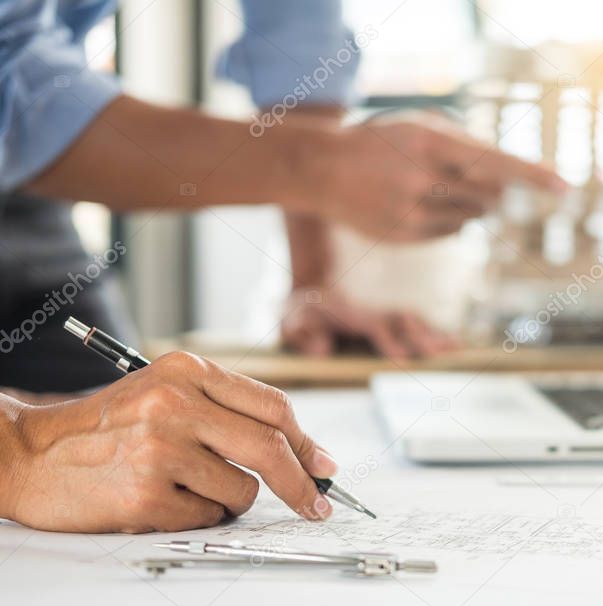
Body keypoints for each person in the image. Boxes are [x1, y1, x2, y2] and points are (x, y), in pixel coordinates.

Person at [0, 1, 564, 532]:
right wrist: (22, 453)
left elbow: (298, 44)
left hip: (25, 192)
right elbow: (11, 86)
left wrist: (314, 284)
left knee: (145, 453)